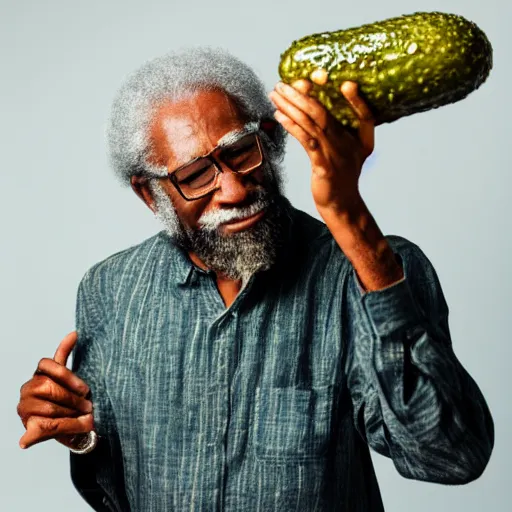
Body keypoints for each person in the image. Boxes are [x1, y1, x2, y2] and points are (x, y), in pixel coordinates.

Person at [17, 47, 494, 511]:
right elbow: (123, 486)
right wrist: (81, 435)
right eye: (196, 175)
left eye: (242, 151)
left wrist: (348, 214)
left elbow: (450, 456)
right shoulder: (109, 291)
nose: (233, 188)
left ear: (269, 138)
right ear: (151, 195)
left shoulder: (373, 270)